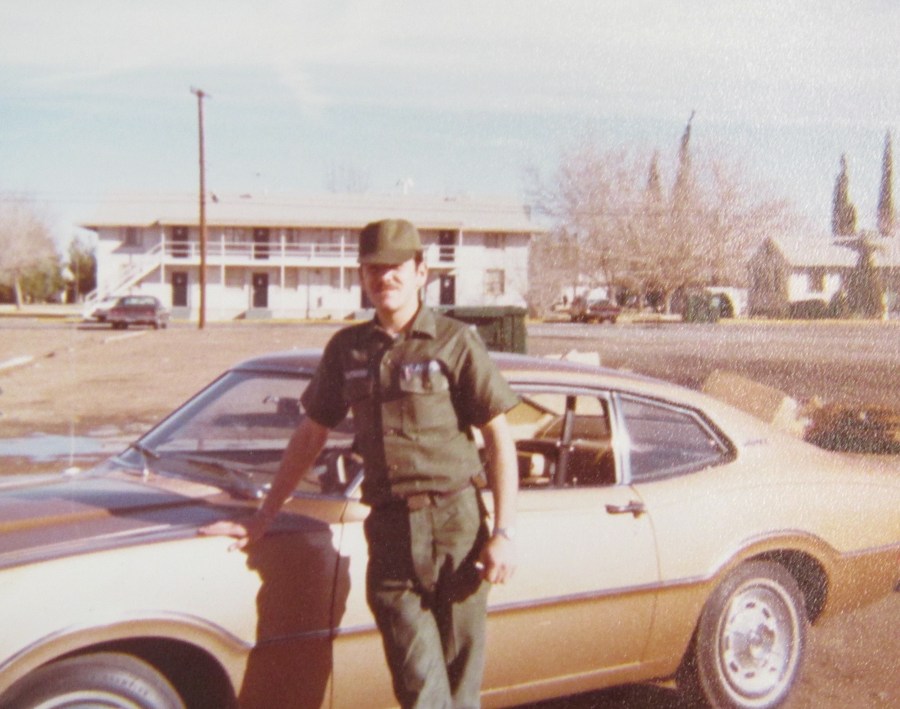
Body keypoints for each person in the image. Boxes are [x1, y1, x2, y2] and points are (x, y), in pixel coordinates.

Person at [201, 218, 519, 708]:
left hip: (457, 526)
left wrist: (503, 533)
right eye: (373, 269)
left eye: (395, 268)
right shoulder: (347, 349)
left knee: (460, 686)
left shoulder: (456, 342)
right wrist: (264, 516)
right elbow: (310, 435)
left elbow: (499, 438)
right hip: (390, 532)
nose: (383, 278)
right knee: (421, 690)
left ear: (421, 272)